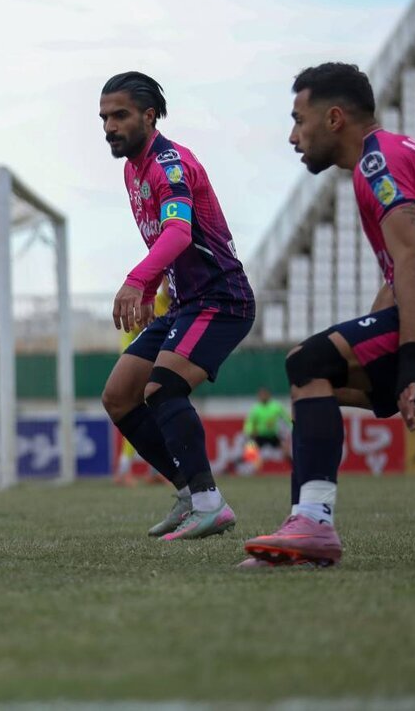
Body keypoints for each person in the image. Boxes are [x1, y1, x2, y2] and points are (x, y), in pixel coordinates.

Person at [242, 62, 415, 568]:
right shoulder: (394, 155)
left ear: (334, 118)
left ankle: (314, 524)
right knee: (318, 380)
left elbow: (413, 262)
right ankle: (304, 530)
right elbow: (398, 271)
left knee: (307, 362)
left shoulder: (377, 164)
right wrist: (371, 342)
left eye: (299, 119)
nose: (293, 136)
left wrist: (409, 358)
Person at [98, 72, 255, 541]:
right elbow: (163, 238)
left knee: (162, 388)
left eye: (120, 115)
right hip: (185, 302)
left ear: (149, 116)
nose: (109, 126)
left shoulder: (169, 163)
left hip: (221, 298)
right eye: (104, 117)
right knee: (119, 395)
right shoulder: (132, 168)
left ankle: (210, 504)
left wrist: (136, 280)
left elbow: (179, 233)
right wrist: (151, 291)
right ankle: (190, 494)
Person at [114, 278, 171, 486]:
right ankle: (123, 471)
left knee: (157, 417)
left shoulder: (174, 304)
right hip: (136, 360)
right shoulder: (155, 302)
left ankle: (156, 471)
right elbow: (139, 330)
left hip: (152, 362)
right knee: (137, 416)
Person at [239, 386, 291, 470]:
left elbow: (286, 418)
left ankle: (294, 467)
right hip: (261, 435)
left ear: (268, 395)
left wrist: (292, 427)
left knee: (286, 450)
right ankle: (247, 469)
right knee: (250, 449)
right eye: (261, 395)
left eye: (264, 394)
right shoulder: (256, 409)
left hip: (273, 435)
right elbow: (249, 422)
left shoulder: (276, 406)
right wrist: (249, 431)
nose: (263, 396)